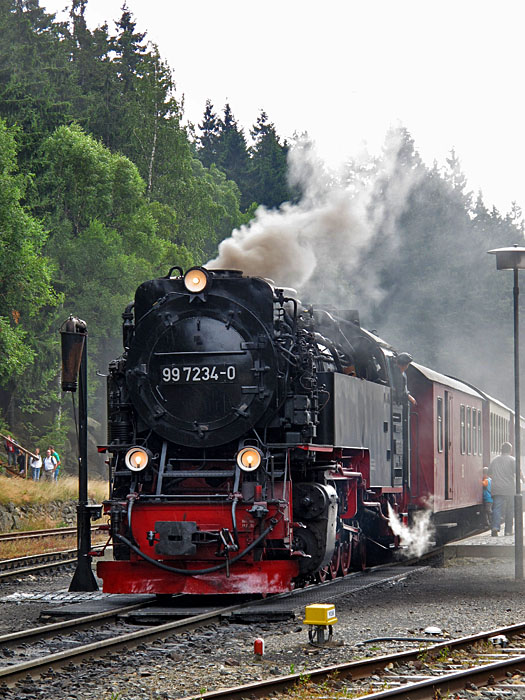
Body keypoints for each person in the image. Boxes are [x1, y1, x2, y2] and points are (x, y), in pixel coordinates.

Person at [488, 442, 519, 537]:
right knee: (509, 509)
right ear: (510, 450)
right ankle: (508, 531)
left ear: (501, 450)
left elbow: (489, 473)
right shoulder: (512, 460)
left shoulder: (494, 460)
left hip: (497, 488)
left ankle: (495, 528)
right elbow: (518, 473)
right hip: (509, 489)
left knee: (497, 508)